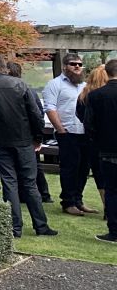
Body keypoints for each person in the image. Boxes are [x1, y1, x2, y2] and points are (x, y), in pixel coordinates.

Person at [0, 53, 56, 238]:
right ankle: (41, 226)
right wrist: (38, 137)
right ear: (4, 66)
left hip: (0, 140)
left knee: (9, 183)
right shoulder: (20, 84)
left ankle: (15, 228)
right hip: (23, 139)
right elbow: (35, 114)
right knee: (30, 183)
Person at [43, 53, 97, 216]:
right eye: (73, 64)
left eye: (80, 65)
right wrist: (61, 130)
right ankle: (68, 202)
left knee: (83, 168)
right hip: (67, 132)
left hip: (84, 133)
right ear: (65, 66)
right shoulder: (55, 84)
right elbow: (50, 108)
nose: (77, 67)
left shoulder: (84, 86)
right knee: (69, 168)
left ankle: (78, 200)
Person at [81, 58, 117, 243]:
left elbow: (89, 124)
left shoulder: (96, 96)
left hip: (107, 149)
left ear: (108, 73)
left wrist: (97, 140)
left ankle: (114, 231)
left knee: (111, 190)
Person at [8, 61, 52, 204]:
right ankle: (44, 194)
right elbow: (38, 113)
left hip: (21, 134)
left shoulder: (14, 91)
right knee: (35, 166)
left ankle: (25, 195)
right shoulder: (30, 90)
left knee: (20, 167)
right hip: (31, 134)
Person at [76, 64, 108, 209]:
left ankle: (107, 206)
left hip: (91, 140)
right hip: (107, 140)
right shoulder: (104, 96)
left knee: (99, 175)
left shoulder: (83, 96)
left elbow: (81, 116)